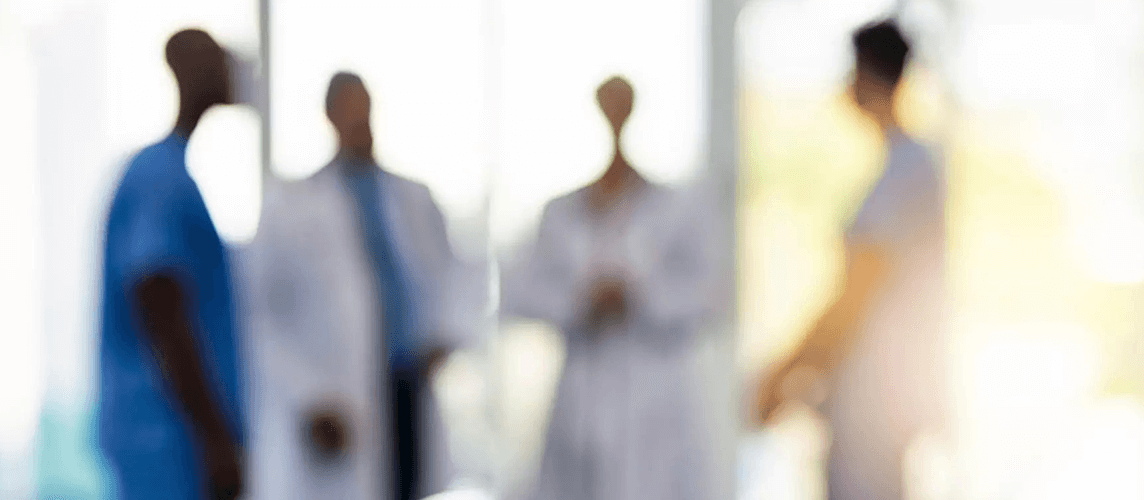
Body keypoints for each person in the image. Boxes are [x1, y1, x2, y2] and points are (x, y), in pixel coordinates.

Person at [245, 72, 476, 500]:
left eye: (364, 109)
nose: (359, 121)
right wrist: (309, 397)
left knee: (407, 484)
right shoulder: (293, 205)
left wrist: (443, 335)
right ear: (329, 116)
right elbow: (262, 315)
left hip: (406, 379)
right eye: (348, 110)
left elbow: (454, 273)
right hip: (337, 392)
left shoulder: (412, 197)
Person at [502, 76, 724, 500]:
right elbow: (519, 293)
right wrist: (581, 301)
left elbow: (710, 295)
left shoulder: (679, 208)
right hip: (580, 401)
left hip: (657, 402)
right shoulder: (561, 211)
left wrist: (638, 298)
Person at [753, 20, 947, 500]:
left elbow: (855, 294)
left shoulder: (906, 170)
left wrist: (785, 373)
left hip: (877, 397)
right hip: (873, 394)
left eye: (852, 71)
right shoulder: (901, 165)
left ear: (869, 75)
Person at [98, 28, 246, 500]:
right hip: (167, 441)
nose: (231, 69)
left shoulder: (173, 172)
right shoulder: (158, 177)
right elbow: (159, 305)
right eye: (217, 59)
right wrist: (215, 437)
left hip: (173, 439)